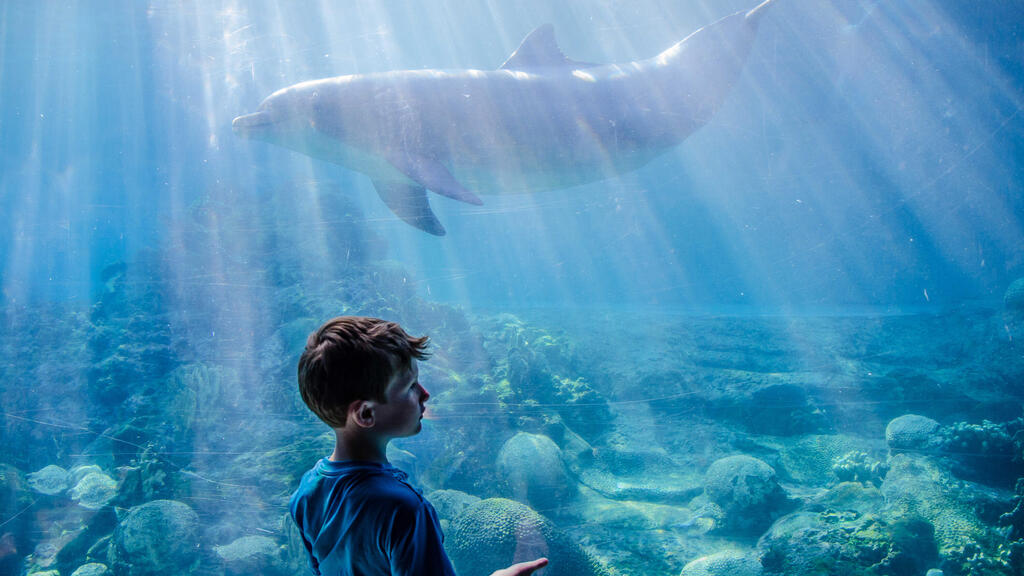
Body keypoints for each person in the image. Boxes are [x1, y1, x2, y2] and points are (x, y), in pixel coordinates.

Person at [290, 316, 549, 576]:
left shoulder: (306, 492)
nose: (425, 393)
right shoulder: (404, 510)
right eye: (410, 386)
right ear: (366, 414)